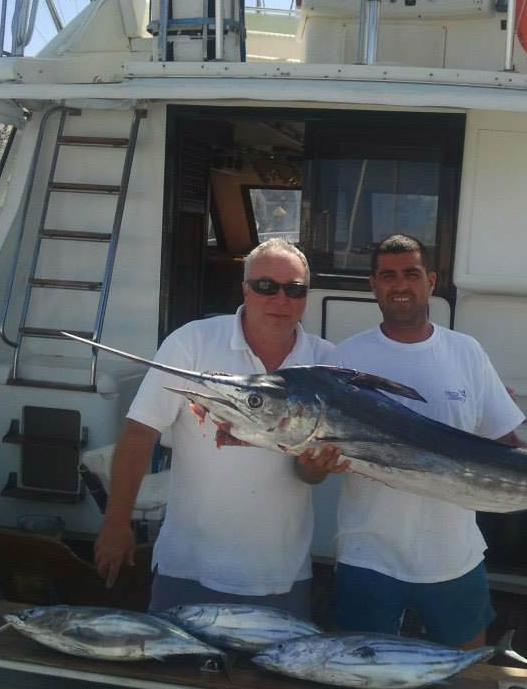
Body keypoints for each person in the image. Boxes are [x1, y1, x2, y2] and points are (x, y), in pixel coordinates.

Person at [328, 234, 527, 647]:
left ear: (430, 281)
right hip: (367, 555)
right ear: (373, 285)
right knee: (362, 669)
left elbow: (509, 444)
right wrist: (313, 464)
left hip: (454, 554)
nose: (400, 285)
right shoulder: (345, 359)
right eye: (388, 276)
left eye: (411, 274)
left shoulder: (465, 351)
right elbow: (310, 468)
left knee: (468, 667)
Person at [94, 238, 346, 616]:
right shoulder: (191, 343)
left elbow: (308, 474)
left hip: (281, 573)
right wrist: (116, 522)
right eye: (266, 286)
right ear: (245, 289)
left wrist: (314, 469)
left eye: (294, 289)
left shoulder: (326, 362)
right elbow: (139, 434)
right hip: (188, 567)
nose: (281, 299)